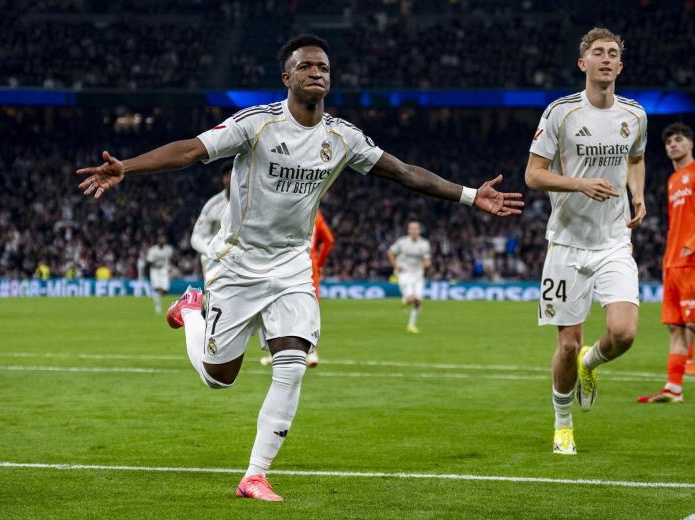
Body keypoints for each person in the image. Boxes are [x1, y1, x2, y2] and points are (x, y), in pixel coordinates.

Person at [77, 34, 523, 501]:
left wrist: (471, 195)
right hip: (239, 262)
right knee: (216, 378)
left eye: (324, 67)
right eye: (306, 66)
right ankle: (191, 308)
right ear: (286, 77)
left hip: (292, 264)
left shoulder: (342, 137)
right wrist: (126, 167)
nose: (317, 73)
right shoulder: (256, 125)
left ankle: (254, 474)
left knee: (291, 365)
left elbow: (403, 171)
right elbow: (190, 150)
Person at [525, 27, 647, 455]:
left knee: (625, 332)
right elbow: (533, 174)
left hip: (614, 239)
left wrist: (638, 194)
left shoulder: (634, 114)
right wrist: (579, 184)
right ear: (583, 63)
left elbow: (636, 156)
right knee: (567, 342)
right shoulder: (560, 113)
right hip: (567, 244)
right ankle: (562, 423)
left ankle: (590, 364)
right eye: (598, 53)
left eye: (614, 53)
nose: (606, 59)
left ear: (620, 64)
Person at [637, 123, 695, 403]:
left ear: (690, 144)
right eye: (669, 141)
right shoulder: (673, 180)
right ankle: (674, 388)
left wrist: (691, 245)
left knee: (692, 323)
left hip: (690, 262)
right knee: (677, 326)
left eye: (679, 139)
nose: (673, 144)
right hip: (672, 263)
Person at [260, 208, 334, 367]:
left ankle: (276, 353)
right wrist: (319, 263)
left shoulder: (289, 209)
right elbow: (329, 241)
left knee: (280, 307)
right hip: (310, 265)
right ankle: (313, 353)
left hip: (288, 263)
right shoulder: (317, 214)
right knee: (309, 308)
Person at [387, 221, 431, 333]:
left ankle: (411, 325)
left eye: (416, 229)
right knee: (412, 298)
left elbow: (427, 260)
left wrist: (427, 264)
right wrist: (395, 265)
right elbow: (390, 252)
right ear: (408, 230)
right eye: (412, 229)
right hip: (405, 273)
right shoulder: (402, 242)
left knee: (418, 301)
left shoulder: (424, 244)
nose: (414, 231)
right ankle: (406, 300)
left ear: (419, 230)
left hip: (418, 274)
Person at [191, 162, 231, 275]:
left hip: (238, 259)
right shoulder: (213, 205)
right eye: (231, 175)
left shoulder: (249, 203)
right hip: (214, 259)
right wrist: (210, 253)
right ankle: (195, 293)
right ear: (225, 179)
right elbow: (196, 237)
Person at [146, 235, 174, 314]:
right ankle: (157, 305)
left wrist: (170, 267)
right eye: (160, 239)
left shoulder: (168, 249)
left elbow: (170, 258)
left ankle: (157, 298)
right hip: (155, 270)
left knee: (165, 289)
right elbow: (149, 261)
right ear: (158, 241)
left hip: (164, 270)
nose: (162, 241)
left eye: (163, 239)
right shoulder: (153, 250)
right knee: (157, 288)